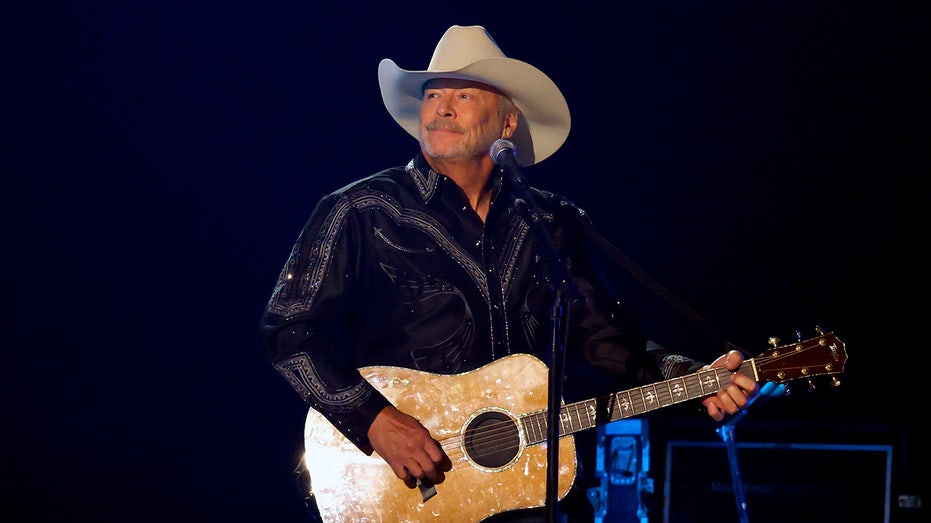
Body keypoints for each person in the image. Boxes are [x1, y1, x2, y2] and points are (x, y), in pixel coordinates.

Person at [258, 25, 758, 523]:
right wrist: (375, 421)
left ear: (507, 122)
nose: (442, 108)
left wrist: (692, 377)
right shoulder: (362, 210)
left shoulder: (550, 222)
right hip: (404, 494)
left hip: (529, 491)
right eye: (433, 94)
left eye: (464, 95)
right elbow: (288, 330)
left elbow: (604, 340)